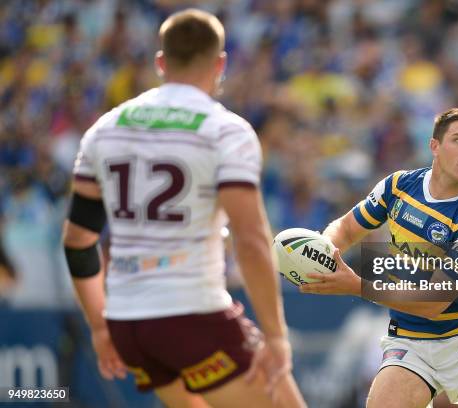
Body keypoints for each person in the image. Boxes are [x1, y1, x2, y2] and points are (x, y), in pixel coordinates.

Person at [62, 9, 305, 408]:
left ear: (161, 62)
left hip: (127, 322)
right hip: (191, 313)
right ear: (220, 63)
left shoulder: (104, 129)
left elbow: (77, 241)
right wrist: (276, 336)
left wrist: (100, 326)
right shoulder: (225, 130)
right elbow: (251, 238)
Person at [300, 108, 458, 407]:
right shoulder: (398, 186)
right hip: (409, 341)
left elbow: (433, 303)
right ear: (435, 146)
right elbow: (347, 227)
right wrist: (322, 251)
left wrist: (356, 285)